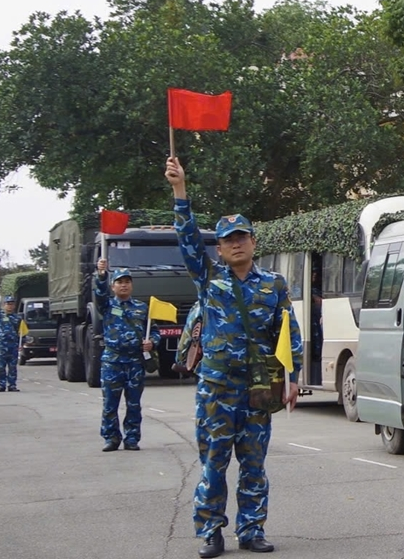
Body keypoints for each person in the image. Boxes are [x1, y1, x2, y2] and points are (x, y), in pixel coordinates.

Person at [165, 156, 303, 558]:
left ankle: (252, 530)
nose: (236, 242)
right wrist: (180, 192)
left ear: (253, 242)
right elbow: (188, 239)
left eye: (242, 236)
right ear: (221, 248)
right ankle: (210, 531)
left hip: (258, 389)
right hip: (217, 389)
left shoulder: (273, 284)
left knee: (254, 465)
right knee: (214, 463)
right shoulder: (209, 280)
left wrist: (292, 376)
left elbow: (288, 331)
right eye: (228, 239)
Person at [94, 260, 160, 452]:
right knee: (109, 404)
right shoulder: (106, 305)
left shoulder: (141, 307)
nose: (124, 285)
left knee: (133, 404)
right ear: (113, 286)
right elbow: (99, 294)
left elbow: (154, 331)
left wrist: (152, 342)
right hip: (112, 362)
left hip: (134, 362)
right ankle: (111, 438)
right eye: (119, 281)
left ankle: (132, 438)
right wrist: (101, 275)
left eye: (127, 281)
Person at [0, 292, 22, 391]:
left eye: (12, 304)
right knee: (1, 368)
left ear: (14, 305)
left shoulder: (18, 318)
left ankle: (12, 385)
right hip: (2, 345)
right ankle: (1, 385)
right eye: (8, 304)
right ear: (4, 305)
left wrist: (20, 344)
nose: (10, 306)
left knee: (12, 367)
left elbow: (20, 332)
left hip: (13, 345)